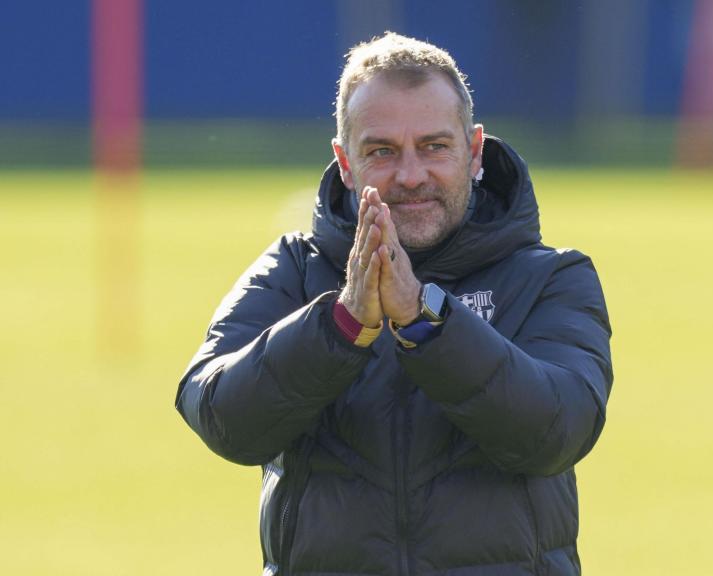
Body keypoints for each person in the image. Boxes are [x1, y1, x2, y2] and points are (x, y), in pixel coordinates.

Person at [175, 32, 612, 576]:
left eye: (434, 146)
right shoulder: (293, 269)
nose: (410, 176)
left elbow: (555, 432)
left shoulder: (551, 277)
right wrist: (340, 326)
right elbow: (221, 416)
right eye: (381, 151)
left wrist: (427, 323)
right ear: (344, 163)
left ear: (473, 151)